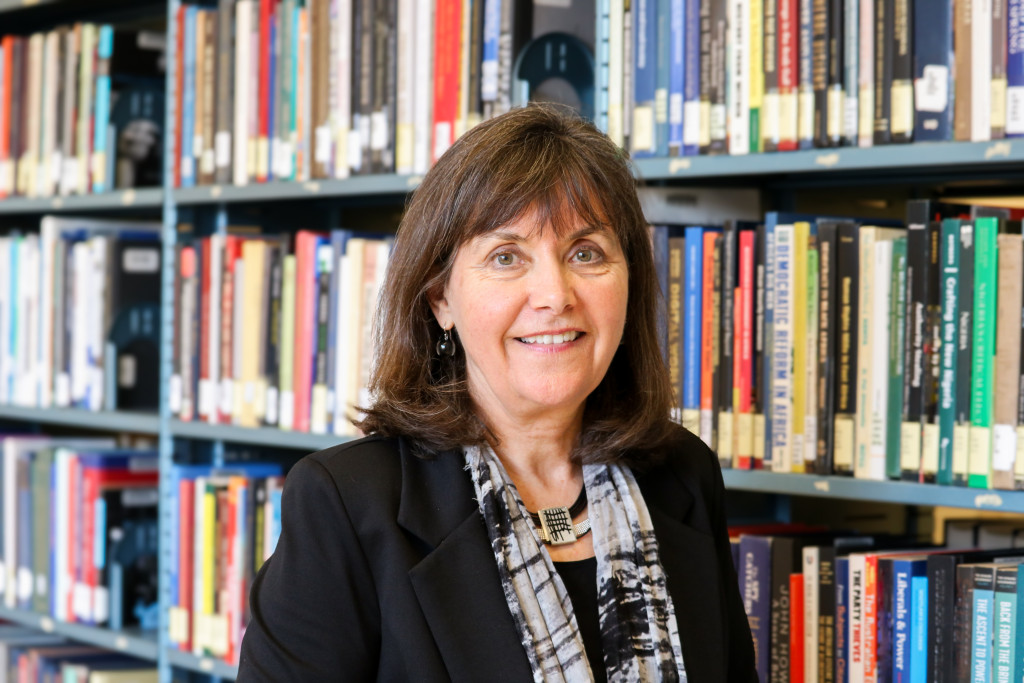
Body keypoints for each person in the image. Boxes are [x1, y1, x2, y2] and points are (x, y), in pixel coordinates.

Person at [237, 104, 757, 682]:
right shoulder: (349, 505)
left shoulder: (683, 474)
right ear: (440, 299)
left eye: (586, 253)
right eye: (506, 257)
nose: (554, 295)